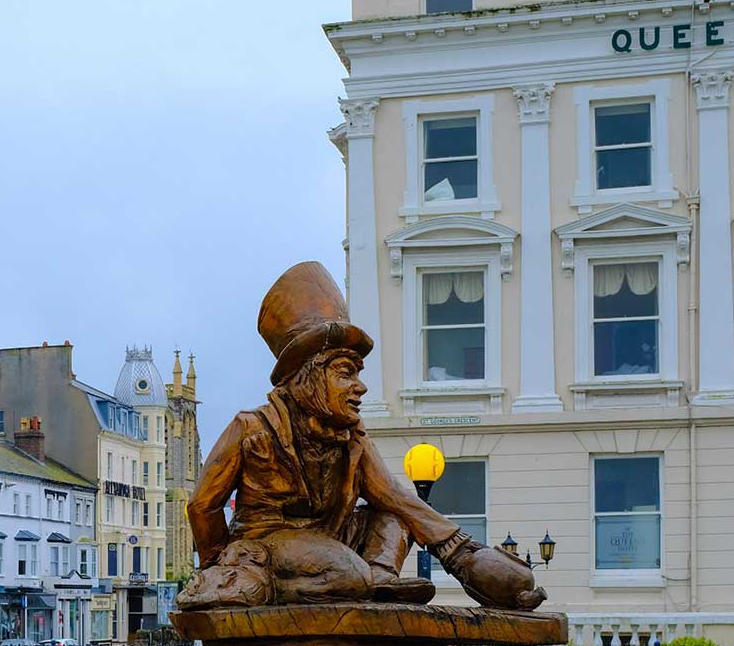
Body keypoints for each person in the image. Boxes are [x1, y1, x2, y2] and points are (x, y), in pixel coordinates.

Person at [176, 261, 544, 613]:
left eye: (357, 374)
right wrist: (220, 564)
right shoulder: (252, 427)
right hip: (270, 544)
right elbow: (202, 506)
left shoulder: (351, 438)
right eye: (345, 373)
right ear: (309, 376)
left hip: (332, 544)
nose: (360, 387)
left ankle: (377, 578)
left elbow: (394, 497)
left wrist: (463, 554)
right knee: (347, 573)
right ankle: (280, 583)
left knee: (395, 516)